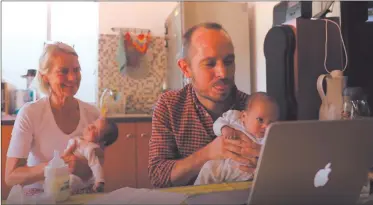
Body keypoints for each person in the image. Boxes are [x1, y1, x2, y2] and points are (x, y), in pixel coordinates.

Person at [148, 22, 261, 188]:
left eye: (229, 62)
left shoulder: (254, 109)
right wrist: (208, 154)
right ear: (186, 69)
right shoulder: (170, 106)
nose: (223, 73)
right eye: (210, 64)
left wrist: (267, 159)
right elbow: (158, 176)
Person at [5, 42, 100, 195]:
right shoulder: (30, 113)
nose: (72, 77)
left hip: (80, 195)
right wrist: (54, 167)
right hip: (39, 196)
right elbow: (11, 176)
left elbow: (96, 168)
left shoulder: (93, 114)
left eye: (76, 70)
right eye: (63, 71)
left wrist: (78, 167)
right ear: (45, 77)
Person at [194, 92, 280, 185]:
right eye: (260, 120)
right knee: (208, 167)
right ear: (244, 116)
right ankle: (195, 194)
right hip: (223, 166)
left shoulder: (269, 137)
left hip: (246, 172)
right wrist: (224, 128)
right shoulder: (234, 118)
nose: (265, 126)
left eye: (271, 122)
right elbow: (218, 122)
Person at [65, 118, 118, 193]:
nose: (90, 127)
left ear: (101, 142)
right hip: (67, 171)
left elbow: (96, 165)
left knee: (71, 181)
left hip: (80, 180)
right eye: (93, 124)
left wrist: (99, 181)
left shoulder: (90, 148)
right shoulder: (79, 140)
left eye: (95, 129)